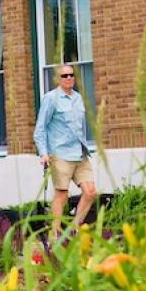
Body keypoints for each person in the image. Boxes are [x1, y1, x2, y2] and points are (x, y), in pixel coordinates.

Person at [34, 65, 96, 232]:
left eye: (71, 75)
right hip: (60, 153)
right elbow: (40, 128)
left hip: (80, 153)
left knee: (90, 192)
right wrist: (43, 153)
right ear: (58, 79)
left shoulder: (78, 98)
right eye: (64, 75)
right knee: (62, 194)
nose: (69, 78)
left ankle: (74, 229)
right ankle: (54, 235)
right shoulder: (51, 98)